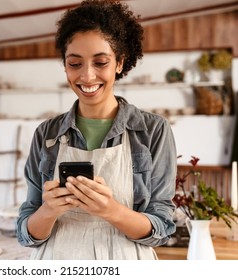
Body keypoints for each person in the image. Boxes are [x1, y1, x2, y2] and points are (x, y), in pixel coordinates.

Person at [16, 0, 177, 260]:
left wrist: (111, 210)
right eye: (75, 63)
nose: (87, 76)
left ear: (120, 63)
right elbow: (26, 233)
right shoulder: (47, 133)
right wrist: (49, 210)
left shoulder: (152, 131)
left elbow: (162, 229)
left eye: (100, 62)